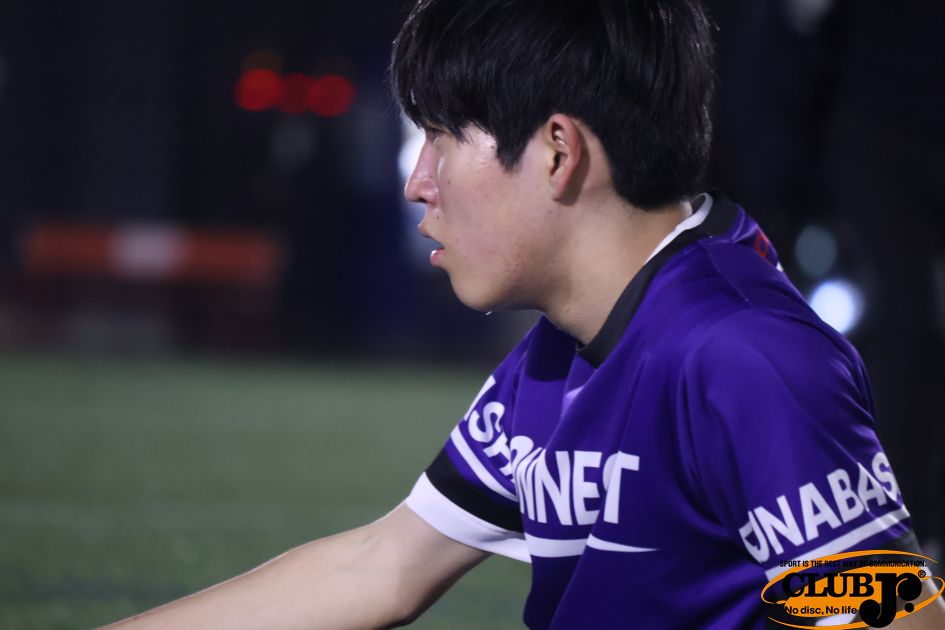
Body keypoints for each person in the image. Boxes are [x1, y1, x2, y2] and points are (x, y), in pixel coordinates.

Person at [104, 0, 944, 628]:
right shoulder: (566, 349)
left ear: (556, 151)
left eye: (440, 138)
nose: (418, 184)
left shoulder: (743, 355)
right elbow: (381, 568)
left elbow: (898, 624)